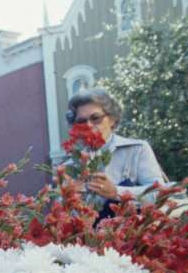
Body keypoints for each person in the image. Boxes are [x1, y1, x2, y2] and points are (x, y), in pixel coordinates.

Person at [64, 88, 170, 220]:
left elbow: (160, 194)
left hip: (131, 236)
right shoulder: (69, 166)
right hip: (87, 238)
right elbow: (64, 214)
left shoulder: (137, 149)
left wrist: (116, 192)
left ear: (112, 119)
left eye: (95, 118)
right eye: (81, 121)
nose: (89, 125)